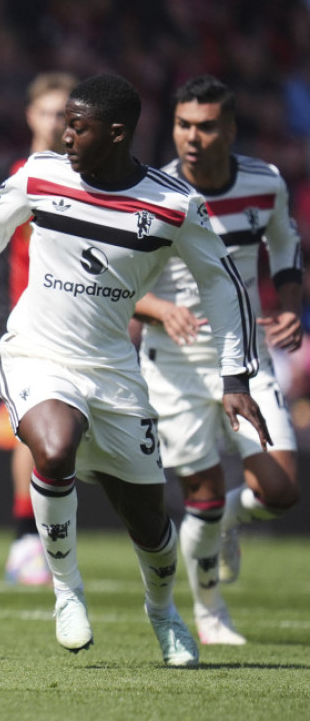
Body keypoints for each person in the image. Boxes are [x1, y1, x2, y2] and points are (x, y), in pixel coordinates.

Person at [0, 74, 271, 667]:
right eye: (64, 123)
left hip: (114, 372)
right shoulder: (41, 173)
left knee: (150, 524)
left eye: (78, 126)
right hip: (36, 352)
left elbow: (222, 283)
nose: (65, 135)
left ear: (117, 133)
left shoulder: (173, 204)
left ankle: (163, 610)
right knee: (53, 449)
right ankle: (66, 591)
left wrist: (236, 377)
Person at [134, 75, 302, 645]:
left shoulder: (265, 183)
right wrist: (159, 307)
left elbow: (286, 245)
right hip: (173, 363)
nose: (192, 137)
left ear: (229, 130)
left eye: (206, 126)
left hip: (246, 359)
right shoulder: (152, 192)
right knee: (200, 498)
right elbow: (113, 278)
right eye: (183, 125)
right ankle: (210, 612)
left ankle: (229, 521)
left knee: (281, 491)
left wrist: (291, 305)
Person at [0, 71, 78, 586]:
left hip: (81, 323)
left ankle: (44, 535)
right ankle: (27, 538)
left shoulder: (93, 176)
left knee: (72, 435)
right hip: (20, 320)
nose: (54, 122)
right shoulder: (3, 174)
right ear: (30, 115)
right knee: (35, 424)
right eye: (46, 112)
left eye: (63, 114)